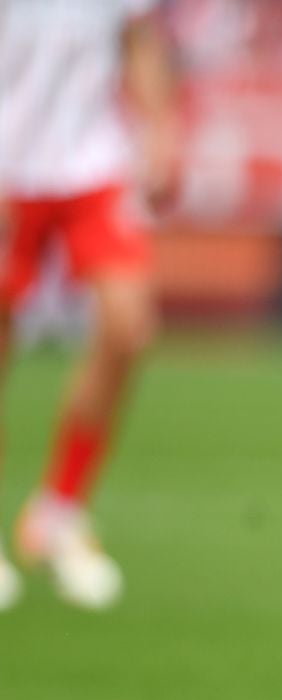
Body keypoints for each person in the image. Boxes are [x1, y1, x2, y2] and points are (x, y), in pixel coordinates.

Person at [0, 0, 179, 611]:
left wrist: (161, 129)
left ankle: (59, 511)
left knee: (129, 327)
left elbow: (138, 37)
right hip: (7, 167)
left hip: (91, 166)